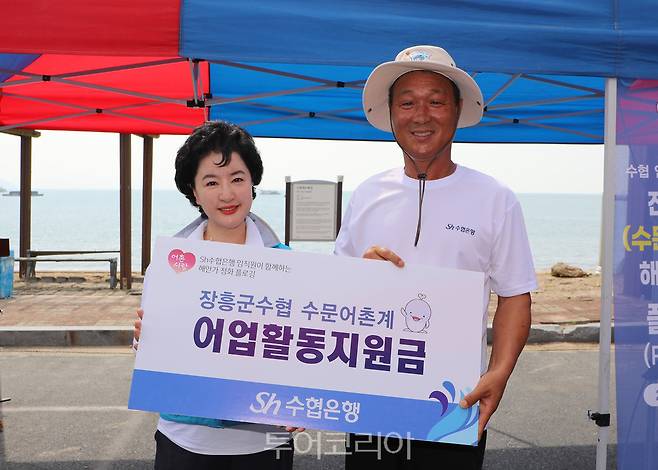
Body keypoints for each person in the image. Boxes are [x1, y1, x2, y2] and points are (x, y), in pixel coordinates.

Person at [335, 45, 537, 469]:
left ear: (457, 109)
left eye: (435, 101)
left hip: (455, 406)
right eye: (407, 102)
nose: (421, 115)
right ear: (390, 113)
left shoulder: (495, 198)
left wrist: (499, 373)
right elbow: (337, 294)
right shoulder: (367, 194)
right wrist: (359, 275)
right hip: (373, 401)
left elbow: (515, 295)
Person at [133, 121, 299, 469]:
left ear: (253, 182)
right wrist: (143, 340)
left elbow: (305, 351)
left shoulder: (289, 266)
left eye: (237, 178)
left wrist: (303, 399)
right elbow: (153, 353)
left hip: (263, 444)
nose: (227, 193)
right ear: (193, 192)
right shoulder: (168, 265)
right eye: (211, 182)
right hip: (184, 441)